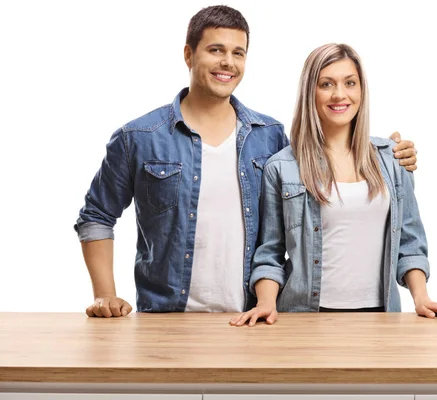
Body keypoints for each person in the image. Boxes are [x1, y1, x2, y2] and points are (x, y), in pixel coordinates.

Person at [75, 6, 419, 318]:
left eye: (237, 53)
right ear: (188, 55)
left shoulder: (268, 137)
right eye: (216, 50)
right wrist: (105, 295)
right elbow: (96, 216)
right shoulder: (139, 137)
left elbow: (302, 205)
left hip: (250, 316)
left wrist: (387, 153)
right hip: (166, 316)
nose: (228, 62)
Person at [230, 43, 437, 327]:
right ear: (311, 93)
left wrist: (422, 298)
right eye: (326, 84)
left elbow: (410, 243)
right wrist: (266, 303)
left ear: (361, 91)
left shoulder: (392, 161)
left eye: (349, 83)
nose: (339, 94)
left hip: (382, 317)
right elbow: (270, 253)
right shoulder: (283, 167)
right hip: (305, 317)